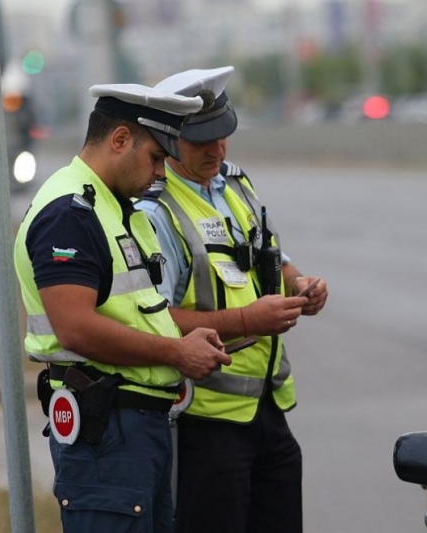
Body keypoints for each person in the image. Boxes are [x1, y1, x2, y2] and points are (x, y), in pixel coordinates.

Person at [13, 82, 233, 533]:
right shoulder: (70, 213)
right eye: (156, 157)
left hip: (134, 428)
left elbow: (138, 310)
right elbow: (75, 328)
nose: (162, 173)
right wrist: (176, 353)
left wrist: (185, 338)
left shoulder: (115, 207)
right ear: (119, 140)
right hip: (106, 433)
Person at [134, 66, 329, 533]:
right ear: (169, 139)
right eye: (203, 140)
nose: (217, 149)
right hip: (206, 421)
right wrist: (247, 320)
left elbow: (274, 258)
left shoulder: (235, 183)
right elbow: (153, 318)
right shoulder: (156, 209)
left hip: (266, 409)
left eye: (224, 135)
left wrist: (302, 285)